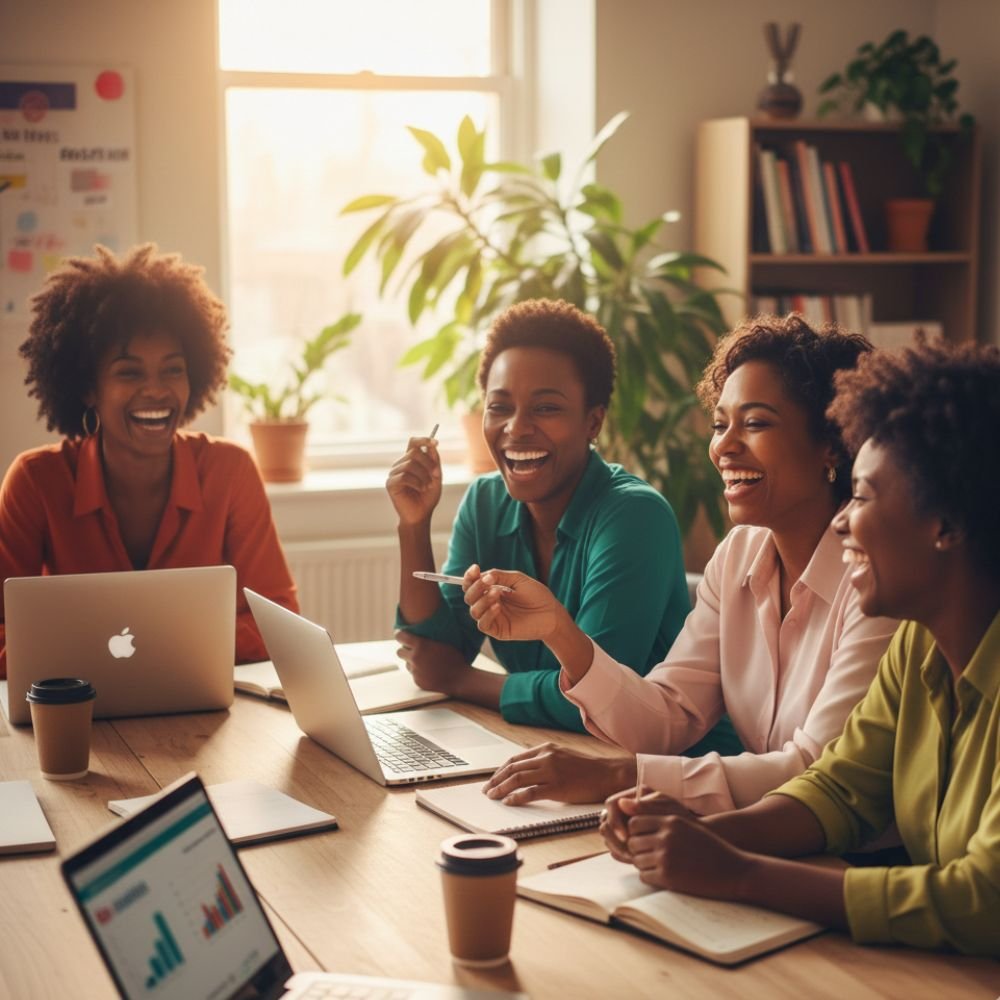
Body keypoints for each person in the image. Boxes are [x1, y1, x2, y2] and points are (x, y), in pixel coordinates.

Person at [596, 339, 1000, 955]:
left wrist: (738, 871)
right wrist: (706, 837)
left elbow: (983, 898)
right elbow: (838, 790)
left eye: (864, 497)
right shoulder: (918, 647)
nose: (842, 521)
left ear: (945, 524)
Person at [468, 313, 897, 811]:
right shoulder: (738, 556)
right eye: (720, 425)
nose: (724, 447)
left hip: (846, 848)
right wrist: (558, 630)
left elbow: (816, 773)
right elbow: (667, 715)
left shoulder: (879, 579)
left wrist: (621, 776)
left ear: (831, 444)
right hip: (759, 831)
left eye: (755, 423)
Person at [386, 298, 692, 731]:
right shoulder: (486, 502)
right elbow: (432, 653)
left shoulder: (635, 517)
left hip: (659, 760)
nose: (516, 427)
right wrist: (413, 524)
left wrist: (460, 680)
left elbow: (597, 696)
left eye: (546, 408)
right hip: (545, 745)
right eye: (499, 407)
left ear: (593, 422)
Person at [0, 243, 298, 677]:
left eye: (173, 370)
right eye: (129, 372)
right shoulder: (37, 481)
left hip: (199, 706)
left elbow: (280, 624)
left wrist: (139, 648)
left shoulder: (229, 471)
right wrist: (173, 645)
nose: (156, 390)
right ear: (88, 388)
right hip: (80, 708)